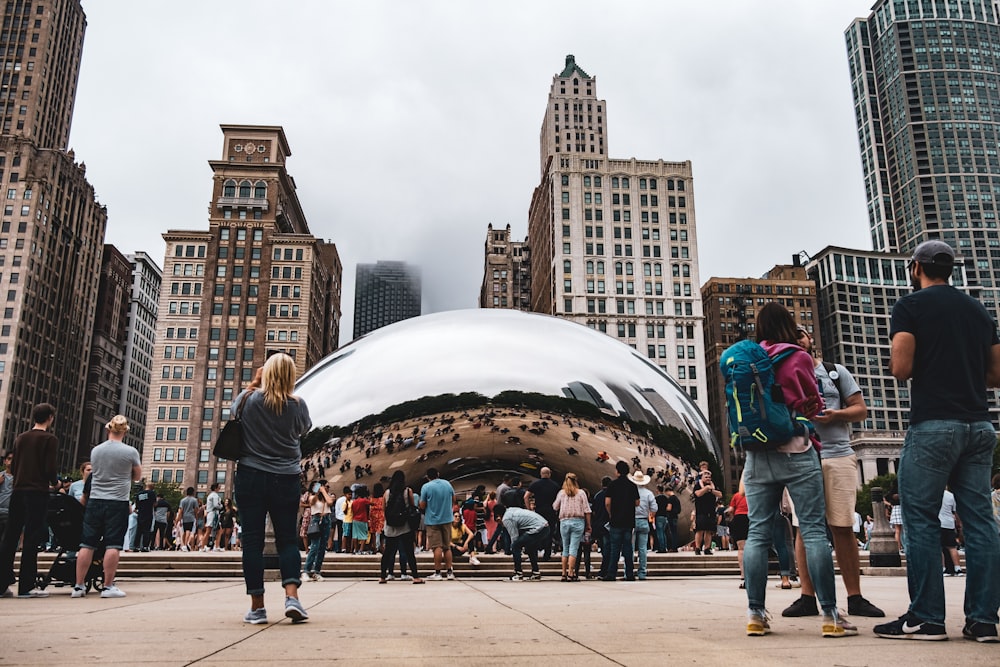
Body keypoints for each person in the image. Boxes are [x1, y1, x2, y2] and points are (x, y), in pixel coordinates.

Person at [877, 240, 1000, 642]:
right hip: (980, 426)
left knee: (921, 520)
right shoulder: (978, 310)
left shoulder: (910, 306)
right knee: (981, 523)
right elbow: (996, 375)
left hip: (933, 425)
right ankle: (983, 620)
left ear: (916, 268)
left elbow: (901, 367)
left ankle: (927, 618)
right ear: (951, 270)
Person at [742, 302, 854, 638]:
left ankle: (756, 614)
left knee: (757, 534)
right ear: (789, 326)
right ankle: (832, 617)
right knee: (815, 532)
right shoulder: (798, 356)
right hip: (798, 450)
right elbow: (813, 404)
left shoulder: (746, 357)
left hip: (757, 455)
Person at [782, 326, 884, 619]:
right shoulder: (785, 375)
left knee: (843, 528)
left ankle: (855, 597)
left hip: (838, 455)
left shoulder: (835, 372)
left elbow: (860, 409)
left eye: (801, 333)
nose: (798, 339)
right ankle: (806, 597)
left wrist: (835, 414)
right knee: (804, 529)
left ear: (811, 339)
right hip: (803, 456)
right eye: (791, 336)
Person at [232, 353, 312, 625]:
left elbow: (233, 415)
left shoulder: (248, 399)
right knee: (287, 539)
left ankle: (257, 607)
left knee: (252, 542)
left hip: (251, 475)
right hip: (287, 477)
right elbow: (304, 429)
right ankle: (292, 598)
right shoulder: (298, 405)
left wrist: (254, 383)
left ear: (265, 373)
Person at [72, 415, 142, 598]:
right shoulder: (131, 452)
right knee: (113, 544)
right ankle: (108, 586)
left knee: (87, 544)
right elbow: (137, 476)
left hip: (95, 501)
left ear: (108, 429)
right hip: (117, 501)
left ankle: (78, 586)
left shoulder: (96, 451)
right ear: (125, 431)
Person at [0, 403, 58, 599]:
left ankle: (2, 583)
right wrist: (55, 483)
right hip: (37, 492)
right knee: (32, 537)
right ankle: (26, 585)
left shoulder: (21, 438)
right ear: (50, 418)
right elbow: (50, 468)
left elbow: (14, 466)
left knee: (10, 537)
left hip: (18, 490)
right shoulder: (49, 439)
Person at [380, 470, 423, 584]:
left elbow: (384, 509)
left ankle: (383, 577)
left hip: (390, 527)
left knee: (388, 552)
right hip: (405, 526)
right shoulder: (408, 491)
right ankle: (415, 576)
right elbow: (412, 507)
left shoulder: (387, 493)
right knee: (409, 552)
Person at [603, 460, 639, 581]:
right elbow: (637, 502)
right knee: (628, 549)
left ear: (617, 471)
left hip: (616, 521)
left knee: (615, 549)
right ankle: (629, 574)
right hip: (628, 521)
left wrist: (611, 514)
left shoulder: (612, 485)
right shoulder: (632, 485)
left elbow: (607, 502)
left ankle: (611, 573)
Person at [552, 472, 591, 581]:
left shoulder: (561, 493)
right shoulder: (581, 493)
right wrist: (588, 525)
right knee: (574, 548)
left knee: (565, 548)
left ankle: (563, 573)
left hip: (564, 522)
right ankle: (571, 573)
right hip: (578, 522)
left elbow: (555, 506)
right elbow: (587, 510)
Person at [419, 467, 456, 580]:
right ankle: (450, 572)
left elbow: (422, 505)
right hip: (447, 519)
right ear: (438, 474)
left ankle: (438, 572)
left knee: (437, 547)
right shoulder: (447, 484)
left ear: (427, 477)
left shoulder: (426, 487)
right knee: (447, 547)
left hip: (432, 520)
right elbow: (454, 498)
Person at [497, 504, 549, 580]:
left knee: (515, 546)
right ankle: (536, 572)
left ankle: (518, 573)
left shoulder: (506, 518)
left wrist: (515, 549)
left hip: (537, 528)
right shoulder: (511, 509)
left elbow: (514, 537)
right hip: (544, 526)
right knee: (531, 547)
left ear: (498, 515)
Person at [525, 467, 560, 560]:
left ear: (541, 474)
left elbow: (526, 496)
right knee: (550, 532)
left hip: (539, 512)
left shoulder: (535, 484)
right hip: (551, 511)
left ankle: (535, 554)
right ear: (549, 474)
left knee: (537, 532)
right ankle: (547, 555)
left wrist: (529, 510)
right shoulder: (555, 485)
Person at [304, 479, 333, 581]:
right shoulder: (313, 496)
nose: (328, 488)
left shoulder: (328, 496)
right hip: (316, 520)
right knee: (314, 547)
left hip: (326, 520)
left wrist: (324, 492)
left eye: (328, 487)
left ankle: (317, 571)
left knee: (322, 548)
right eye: (326, 486)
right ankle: (306, 571)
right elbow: (311, 502)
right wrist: (317, 491)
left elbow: (330, 502)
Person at [631, 471, 655, 580]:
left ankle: (629, 571)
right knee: (643, 548)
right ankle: (642, 572)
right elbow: (654, 508)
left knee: (630, 548)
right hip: (644, 520)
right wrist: (649, 513)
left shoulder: (629, 492)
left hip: (631, 520)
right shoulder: (648, 493)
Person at [692, 468, 721, 554]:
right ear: (702, 477)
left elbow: (720, 494)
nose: (708, 478)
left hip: (711, 511)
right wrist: (705, 488)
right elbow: (697, 494)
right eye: (706, 477)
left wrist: (711, 489)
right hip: (701, 511)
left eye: (709, 477)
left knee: (709, 531)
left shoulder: (713, 486)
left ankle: (707, 548)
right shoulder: (697, 485)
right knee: (700, 530)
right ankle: (697, 548)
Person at [729, 478, 749, 588]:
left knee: (741, 548)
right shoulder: (754, 494)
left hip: (739, 518)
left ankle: (743, 574)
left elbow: (731, 510)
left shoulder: (736, 496)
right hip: (752, 518)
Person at [939, 489, 963, 577]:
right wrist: (959, 523)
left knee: (939, 547)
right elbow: (955, 511)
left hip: (938, 522)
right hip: (949, 523)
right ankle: (958, 568)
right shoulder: (951, 495)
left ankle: (943, 568)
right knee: (952, 547)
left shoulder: (934, 493)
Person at [134, 481, 157, 552]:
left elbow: (136, 506)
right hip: (148, 514)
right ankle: (145, 546)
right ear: (152, 487)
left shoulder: (139, 494)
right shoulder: (152, 493)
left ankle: (136, 546)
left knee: (139, 530)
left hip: (140, 514)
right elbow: (154, 504)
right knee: (146, 530)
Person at [178, 487, 198, 552]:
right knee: (189, 530)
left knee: (184, 531)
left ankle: (183, 545)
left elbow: (181, 511)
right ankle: (186, 544)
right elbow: (196, 510)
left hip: (184, 517)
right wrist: (196, 518)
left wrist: (180, 519)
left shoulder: (182, 500)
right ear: (192, 492)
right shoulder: (194, 500)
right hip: (191, 517)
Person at [205, 483, 223, 551]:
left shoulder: (211, 495)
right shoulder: (215, 495)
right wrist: (221, 506)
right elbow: (216, 505)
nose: (219, 489)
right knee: (208, 530)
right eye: (219, 487)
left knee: (219, 530)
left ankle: (217, 545)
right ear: (215, 488)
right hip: (213, 514)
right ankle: (203, 545)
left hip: (212, 513)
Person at [663, 488, 681, 552]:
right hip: (675, 517)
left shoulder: (670, 499)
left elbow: (669, 508)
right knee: (675, 532)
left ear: (668, 491)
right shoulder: (677, 499)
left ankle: (673, 547)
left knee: (671, 533)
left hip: (671, 517)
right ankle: (675, 547)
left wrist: (664, 508)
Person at [0, 451, 13, 541]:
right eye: (9, 459)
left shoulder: (19, 478)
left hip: (11, 514)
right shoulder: (1, 476)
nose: (11, 461)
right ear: (5, 461)